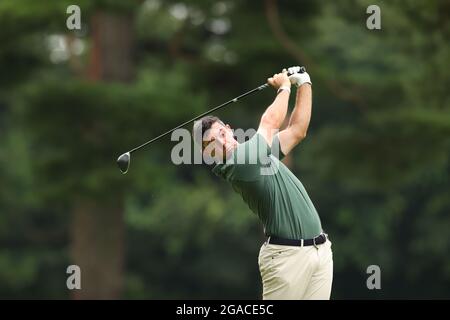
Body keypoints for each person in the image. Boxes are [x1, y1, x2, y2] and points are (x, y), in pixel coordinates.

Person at [192, 67, 333, 300]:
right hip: (286, 258)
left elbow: (297, 131)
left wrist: (304, 83)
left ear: (229, 129)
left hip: (319, 251)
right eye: (211, 143)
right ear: (208, 154)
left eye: (221, 133)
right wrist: (284, 87)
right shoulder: (238, 164)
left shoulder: (258, 154)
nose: (221, 142)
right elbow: (269, 123)